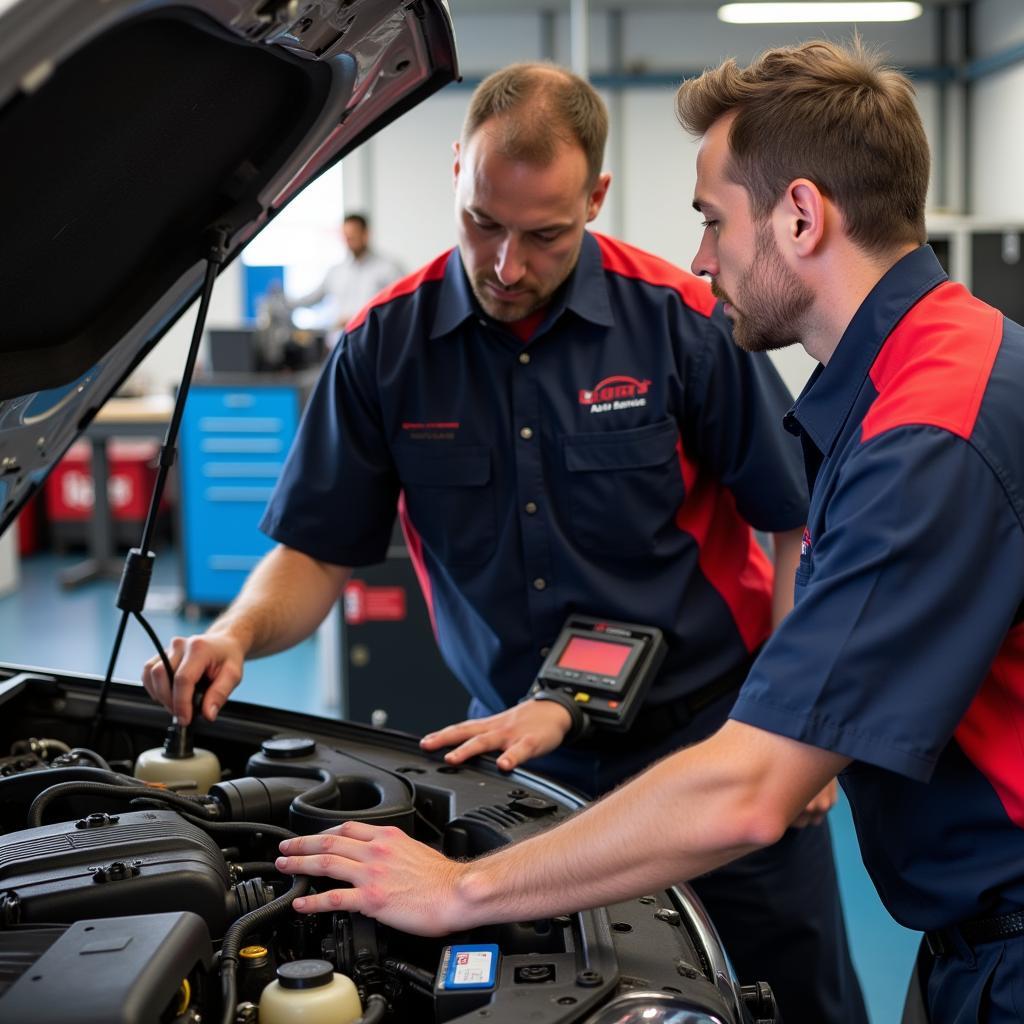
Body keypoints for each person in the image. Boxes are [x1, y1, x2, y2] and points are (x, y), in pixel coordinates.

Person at [262, 41, 1024, 1024]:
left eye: (712, 221)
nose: (701, 258)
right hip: (966, 933)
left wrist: (455, 890)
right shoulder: (945, 365)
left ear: (800, 215)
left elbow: (749, 790)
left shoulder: (926, 436)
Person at [143, 64, 867, 1022]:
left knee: (799, 996)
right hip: (517, 765)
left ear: (595, 199)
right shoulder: (383, 351)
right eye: (483, 221)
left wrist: (790, 724)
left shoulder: (683, 325)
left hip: (709, 743)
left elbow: (792, 524)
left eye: (545, 234)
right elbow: (317, 552)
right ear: (457, 172)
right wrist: (235, 634)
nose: (506, 265)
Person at [289, 213, 402, 330]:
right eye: (346, 237)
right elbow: (313, 297)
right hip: (342, 340)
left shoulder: (389, 268)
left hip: (374, 340)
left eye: (353, 236)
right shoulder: (336, 271)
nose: (349, 241)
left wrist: (361, 318)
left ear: (365, 234)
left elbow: (400, 306)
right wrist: (286, 303)